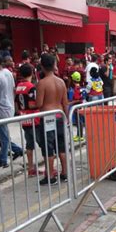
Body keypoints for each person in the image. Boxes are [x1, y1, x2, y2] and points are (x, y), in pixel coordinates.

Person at [35, 53, 69, 185]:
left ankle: (50, 176)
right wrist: (67, 118)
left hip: (48, 116)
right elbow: (65, 103)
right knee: (61, 146)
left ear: (42, 67)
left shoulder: (42, 83)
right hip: (60, 115)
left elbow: (38, 104)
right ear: (54, 65)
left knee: (48, 147)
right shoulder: (61, 82)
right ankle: (64, 173)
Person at [0, 52, 23, 168]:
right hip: (7, 108)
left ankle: (2, 160)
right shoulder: (7, 72)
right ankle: (17, 149)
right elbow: (13, 89)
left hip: (0, 112)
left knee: (3, 138)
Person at [15, 64, 43, 176]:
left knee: (29, 145)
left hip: (24, 119)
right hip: (34, 119)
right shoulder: (31, 86)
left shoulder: (18, 86)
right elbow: (32, 104)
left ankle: (30, 168)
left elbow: (17, 105)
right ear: (32, 73)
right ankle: (49, 170)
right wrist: (40, 104)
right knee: (43, 144)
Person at [68, 71, 87, 142]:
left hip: (77, 107)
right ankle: (79, 135)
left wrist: (70, 103)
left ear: (73, 80)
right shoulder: (80, 87)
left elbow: (78, 99)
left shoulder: (76, 88)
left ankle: (80, 136)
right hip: (79, 107)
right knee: (79, 121)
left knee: (79, 122)